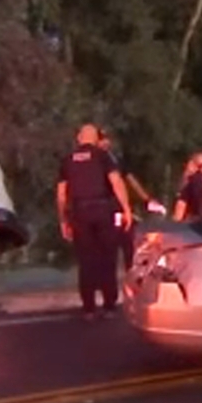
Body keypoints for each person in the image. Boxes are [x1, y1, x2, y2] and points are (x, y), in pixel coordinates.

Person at [57, 124, 134, 317]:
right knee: (107, 258)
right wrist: (126, 209)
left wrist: (63, 219)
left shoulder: (67, 160)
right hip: (103, 210)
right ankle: (109, 305)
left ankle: (89, 308)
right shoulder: (102, 156)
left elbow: (61, 194)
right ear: (95, 138)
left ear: (79, 138)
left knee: (86, 260)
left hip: (79, 212)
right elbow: (116, 182)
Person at [97, 130, 159, 269]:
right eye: (101, 139)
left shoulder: (115, 159)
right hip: (102, 209)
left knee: (128, 242)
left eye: (107, 139)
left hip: (119, 206)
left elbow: (131, 179)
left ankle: (131, 271)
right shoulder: (94, 161)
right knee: (107, 245)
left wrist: (146, 199)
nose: (105, 142)